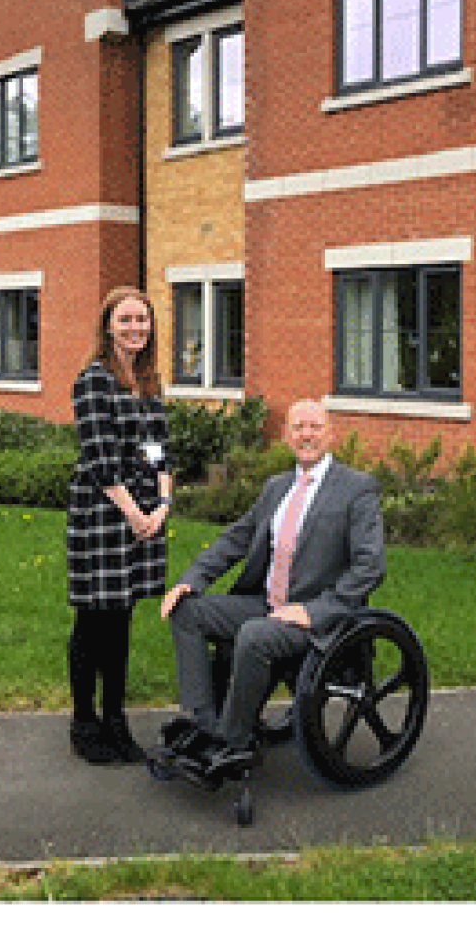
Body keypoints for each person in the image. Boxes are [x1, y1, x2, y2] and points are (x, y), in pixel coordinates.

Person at [160, 400, 386, 778]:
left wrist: (313, 611)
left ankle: (232, 742)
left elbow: (370, 567)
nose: (306, 435)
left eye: (314, 427)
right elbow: (238, 538)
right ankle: (203, 723)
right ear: (286, 436)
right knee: (187, 611)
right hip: (269, 605)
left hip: (318, 619)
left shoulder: (356, 489)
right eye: (298, 428)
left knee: (254, 635)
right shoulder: (277, 487)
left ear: (330, 433)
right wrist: (190, 580)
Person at [67, 287, 173, 766]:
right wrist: (134, 513)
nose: (135, 328)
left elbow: (159, 450)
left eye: (142, 320)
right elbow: (101, 458)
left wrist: (164, 503)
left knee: (122, 620)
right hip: (103, 513)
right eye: (126, 320)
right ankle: (84, 722)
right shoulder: (93, 381)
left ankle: (116, 719)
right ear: (108, 325)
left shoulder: (148, 384)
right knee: (93, 620)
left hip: (144, 512)